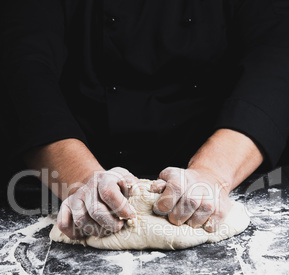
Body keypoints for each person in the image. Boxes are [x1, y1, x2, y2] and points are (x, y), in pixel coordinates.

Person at [0, 0, 288, 240]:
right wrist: (81, 180)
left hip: (226, 173)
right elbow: (22, 64)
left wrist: (212, 174)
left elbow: (277, 57)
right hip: (70, 175)